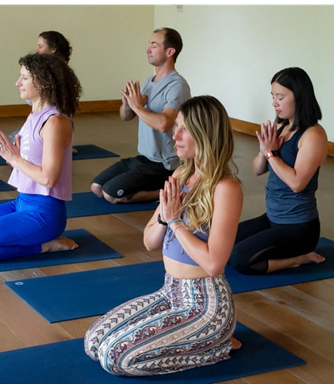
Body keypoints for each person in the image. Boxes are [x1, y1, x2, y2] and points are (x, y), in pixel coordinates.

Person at [84, 95, 243, 376]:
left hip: (205, 306)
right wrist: (164, 216)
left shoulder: (225, 188)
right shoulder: (181, 174)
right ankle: (198, 343)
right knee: (94, 343)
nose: (174, 134)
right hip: (170, 293)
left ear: (205, 134)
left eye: (183, 128)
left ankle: (216, 346)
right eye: (176, 126)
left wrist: (175, 221)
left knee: (115, 358)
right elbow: (149, 242)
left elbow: (213, 264)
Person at [0, 53, 82, 263]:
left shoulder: (56, 122)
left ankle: (44, 246)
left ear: (44, 83)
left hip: (43, 214)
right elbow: (29, 164)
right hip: (21, 203)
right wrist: (16, 157)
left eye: (25, 78)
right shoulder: (34, 116)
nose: (17, 82)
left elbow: (49, 179)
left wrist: (15, 159)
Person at [229, 67, 327, 275]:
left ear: (299, 97)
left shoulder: (313, 135)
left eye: (280, 97)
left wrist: (272, 155)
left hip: (298, 228)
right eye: (273, 96)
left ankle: (298, 259)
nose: (274, 102)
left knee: (239, 260)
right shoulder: (281, 127)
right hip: (273, 219)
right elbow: (257, 169)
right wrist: (265, 152)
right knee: (224, 242)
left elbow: (297, 183)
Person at [91, 27, 191, 204]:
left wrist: (137, 106)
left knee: (111, 195)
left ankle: (165, 192)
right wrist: (127, 104)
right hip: (142, 158)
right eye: (149, 44)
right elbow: (126, 117)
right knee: (97, 187)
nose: (148, 49)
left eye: (154, 45)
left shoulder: (177, 86)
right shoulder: (149, 82)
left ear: (170, 51)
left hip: (163, 164)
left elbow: (164, 124)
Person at [9, 30, 77, 153]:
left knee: (13, 142)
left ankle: (59, 143)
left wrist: (15, 159)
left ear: (53, 49)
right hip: (43, 121)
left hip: (53, 126)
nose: (37, 50)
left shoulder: (55, 120)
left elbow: (64, 112)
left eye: (41, 46)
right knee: (11, 141)